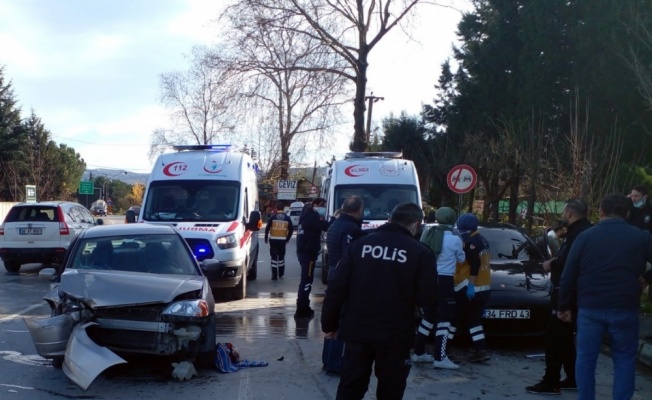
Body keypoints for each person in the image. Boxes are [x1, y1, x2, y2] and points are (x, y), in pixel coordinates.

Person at [321, 203, 438, 400]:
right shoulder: (420, 252)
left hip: (358, 329)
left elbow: (336, 287)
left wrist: (329, 324)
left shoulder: (359, 245)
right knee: (391, 389)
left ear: (390, 219)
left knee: (351, 386)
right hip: (396, 335)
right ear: (416, 225)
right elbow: (428, 298)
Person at [558, 193, 652, 400]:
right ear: (627, 213)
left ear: (600, 211)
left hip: (591, 307)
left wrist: (563, 306)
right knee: (625, 359)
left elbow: (569, 274)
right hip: (626, 306)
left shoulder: (586, 236)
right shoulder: (642, 237)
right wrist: (646, 278)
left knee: (586, 359)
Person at [526, 198, 592, 395]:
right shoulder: (587, 231)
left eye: (564, 212)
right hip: (578, 292)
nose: (563, 216)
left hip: (566, 291)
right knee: (565, 338)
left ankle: (551, 381)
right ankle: (573, 378)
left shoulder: (576, 234)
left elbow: (569, 262)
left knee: (555, 338)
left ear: (570, 213)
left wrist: (552, 264)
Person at [413, 206, 465, 369]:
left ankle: (418, 352)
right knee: (445, 318)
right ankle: (440, 357)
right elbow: (461, 259)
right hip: (445, 281)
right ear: (452, 220)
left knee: (428, 316)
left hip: (428, 280)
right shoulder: (454, 239)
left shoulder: (428, 234)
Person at [449, 213, 491, 363]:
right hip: (484, 287)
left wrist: (471, 286)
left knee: (453, 318)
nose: (460, 232)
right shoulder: (483, 240)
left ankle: (445, 348)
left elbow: (474, 265)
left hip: (470, 286)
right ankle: (481, 350)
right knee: (474, 321)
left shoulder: (471, 243)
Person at [295, 197, 330, 319]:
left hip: (303, 252)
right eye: (322, 206)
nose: (323, 208)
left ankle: (302, 306)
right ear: (315, 205)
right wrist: (336, 219)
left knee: (306, 280)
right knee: (306, 281)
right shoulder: (312, 217)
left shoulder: (305, 216)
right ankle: (302, 308)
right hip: (308, 254)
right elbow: (327, 226)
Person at [326, 195, 365, 277]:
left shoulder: (335, 224)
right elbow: (348, 255)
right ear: (360, 210)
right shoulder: (351, 228)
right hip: (344, 274)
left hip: (334, 269)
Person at [264, 201, 293, 280]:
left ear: (276, 208)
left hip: (273, 240)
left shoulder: (273, 217)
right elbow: (291, 230)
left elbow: (267, 228)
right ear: (283, 208)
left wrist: (266, 237)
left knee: (273, 258)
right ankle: (280, 274)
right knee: (281, 258)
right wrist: (288, 239)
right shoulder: (287, 218)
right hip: (282, 241)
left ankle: (274, 275)